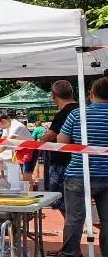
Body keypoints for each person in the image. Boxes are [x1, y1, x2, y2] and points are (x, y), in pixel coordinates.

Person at [50, 77, 108, 257]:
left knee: (74, 218)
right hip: (107, 174)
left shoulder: (77, 114)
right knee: (107, 219)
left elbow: (62, 141)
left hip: (78, 172)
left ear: (91, 94)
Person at [41, 80, 79, 221]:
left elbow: (48, 137)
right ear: (72, 93)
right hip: (82, 161)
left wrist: (42, 139)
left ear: (53, 95)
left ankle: (71, 228)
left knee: (61, 200)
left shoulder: (63, 114)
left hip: (62, 163)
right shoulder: (82, 109)